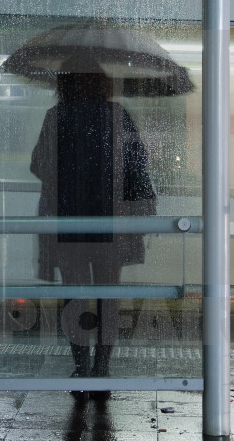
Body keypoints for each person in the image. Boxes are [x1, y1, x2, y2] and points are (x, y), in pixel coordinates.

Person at [30, 66, 156, 395]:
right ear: (103, 85)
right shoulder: (118, 115)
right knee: (107, 297)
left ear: (64, 84)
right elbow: (137, 163)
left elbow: (38, 165)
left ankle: (81, 369)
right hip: (111, 222)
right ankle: (102, 370)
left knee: (74, 297)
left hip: (67, 221)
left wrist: (69, 176)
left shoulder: (56, 115)